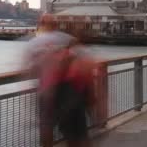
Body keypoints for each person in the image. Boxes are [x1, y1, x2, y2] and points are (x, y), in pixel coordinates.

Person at [27, 15, 97, 147]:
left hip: (50, 93)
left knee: (48, 129)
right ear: (56, 24)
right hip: (71, 93)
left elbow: (29, 69)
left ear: (41, 24)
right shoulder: (66, 40)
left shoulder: (35, 42)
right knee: (76, 133)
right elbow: (84, 67)